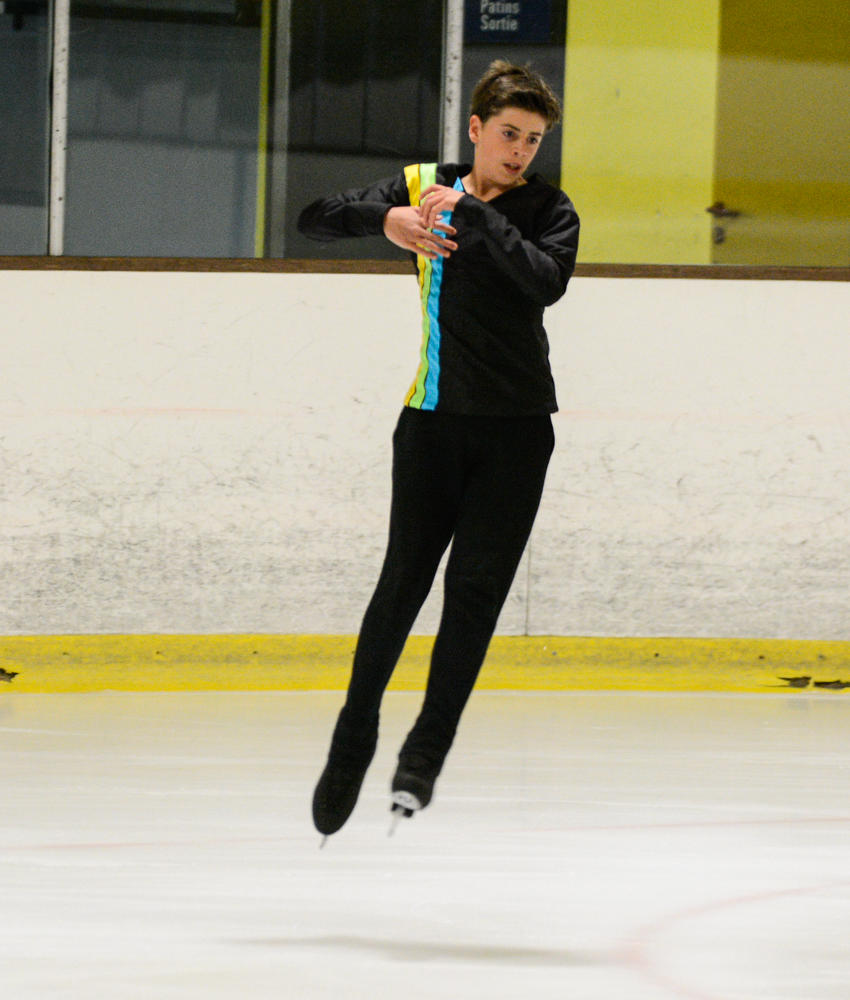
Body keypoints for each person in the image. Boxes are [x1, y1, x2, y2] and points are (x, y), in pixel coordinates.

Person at [298, 61, 578, 839]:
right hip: (431, 424)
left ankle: (423, 759)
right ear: (477, 128)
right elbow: (315, 218)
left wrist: (479, 216)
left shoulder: (550, 209)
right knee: (401, 586)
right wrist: (385, 219)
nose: (521, 151)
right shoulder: (423, 185)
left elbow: (545, 282)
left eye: (534, 139)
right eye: (510, 134)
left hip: (518, 434)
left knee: (474, 598)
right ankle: (353, 737)